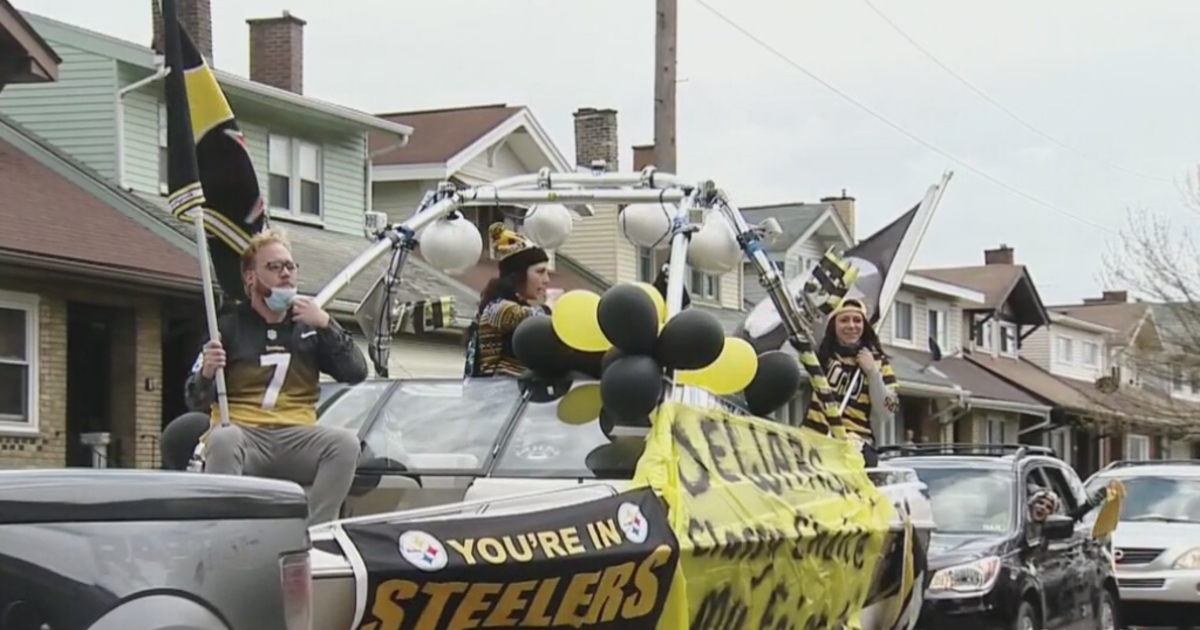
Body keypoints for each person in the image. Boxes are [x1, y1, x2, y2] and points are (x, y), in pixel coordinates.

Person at [185, 227, 368, 525]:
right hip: (245, 435)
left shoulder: (310, 325)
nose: (286, 274)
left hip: (297, 437)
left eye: (290, 266)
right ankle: (224, 530)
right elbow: (193, 399)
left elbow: (357, 372)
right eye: (274, 267)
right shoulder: (228, 327)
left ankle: (313, 531)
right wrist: (207, 373)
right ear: (250, 278)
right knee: (224, 438)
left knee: (346, 443)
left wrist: (327, 324)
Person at [803, 298, 899, 467]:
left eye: (857, 320)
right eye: (844, 320)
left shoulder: (878, 362)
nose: (851, 326)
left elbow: (888, 411)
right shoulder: (821, 355)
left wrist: (872, 372)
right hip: (813, 444)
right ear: (834, 325)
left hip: (855, 447)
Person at [463, 223, 553, 378]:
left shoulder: (505, 306)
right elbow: (531, 320)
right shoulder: (497, 308)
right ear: (518, 274)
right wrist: (550, 306)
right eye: (540, 272)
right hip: (495, 398)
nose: (547, 280)